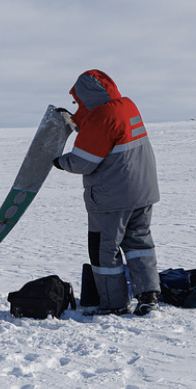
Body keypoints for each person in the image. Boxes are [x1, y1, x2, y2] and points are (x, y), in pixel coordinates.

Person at [52, 70, 161, 316]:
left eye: (78, 100)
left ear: (86, 95)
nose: (78, 104)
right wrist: (75, 119)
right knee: (139, 242)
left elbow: (83, 161)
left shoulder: (101, 117)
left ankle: (114, 303)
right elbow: (103, 130)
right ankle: (148, 296)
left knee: (104, 248)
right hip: (143, 191)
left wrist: (59, 162)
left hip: (112, 197)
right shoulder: (126, 106)